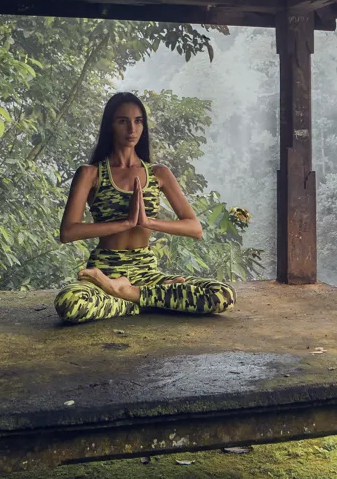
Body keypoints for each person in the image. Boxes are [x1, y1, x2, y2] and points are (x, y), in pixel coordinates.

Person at [53, 92, 236, 324]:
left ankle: (125, 294)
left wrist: (148, 223)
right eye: (123, 121)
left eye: (138, 121)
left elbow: (195, 228)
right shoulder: (91, 174)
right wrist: (126, 223)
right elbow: (68, 232)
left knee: (222, 295)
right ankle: (148, 299)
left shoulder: (159, 173)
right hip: (105, 269)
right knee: (70, 303)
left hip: (146, 272)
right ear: (110, 125)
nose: (132, 129)